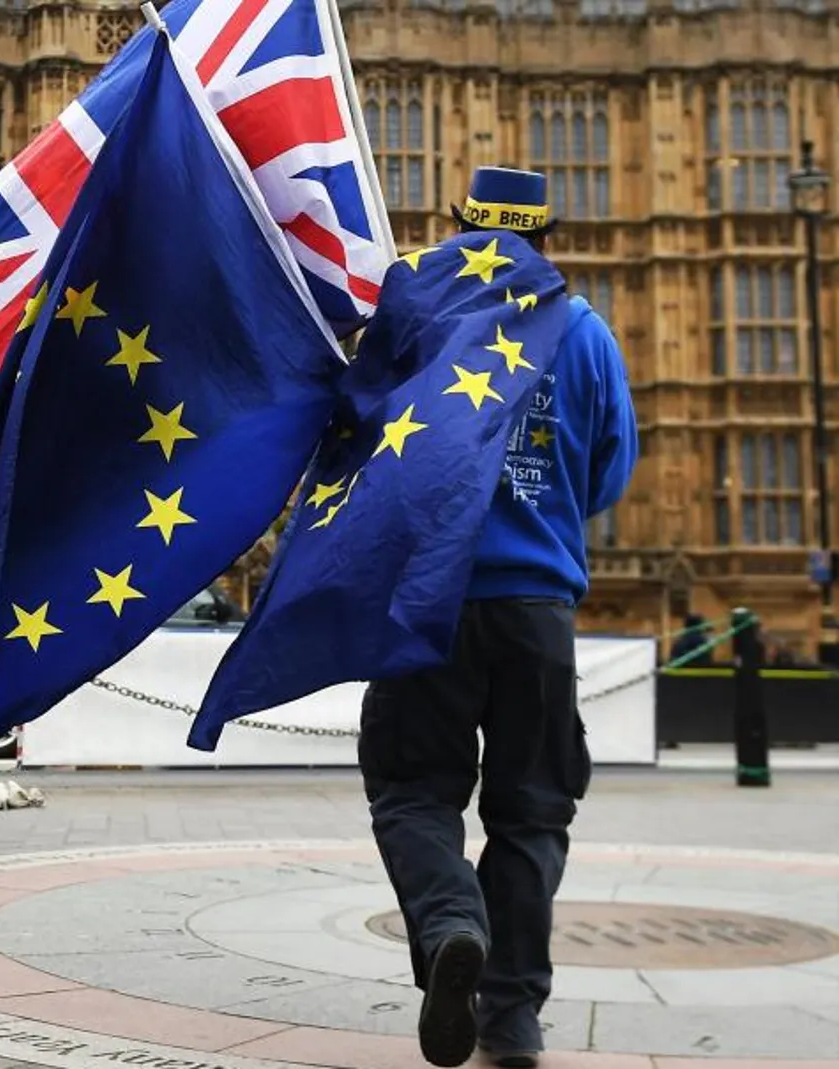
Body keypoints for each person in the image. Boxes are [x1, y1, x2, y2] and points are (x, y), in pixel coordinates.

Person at [360, 167, 639, 1068]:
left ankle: (449, 925)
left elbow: (352, 439)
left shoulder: (414, 318)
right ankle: (512, 1016)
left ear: (464, 230)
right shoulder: (586, 332)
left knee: (412, 790)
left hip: (424, 602)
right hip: (535, 610)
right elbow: (607, 473)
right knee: (530, 815)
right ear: (543, 237)